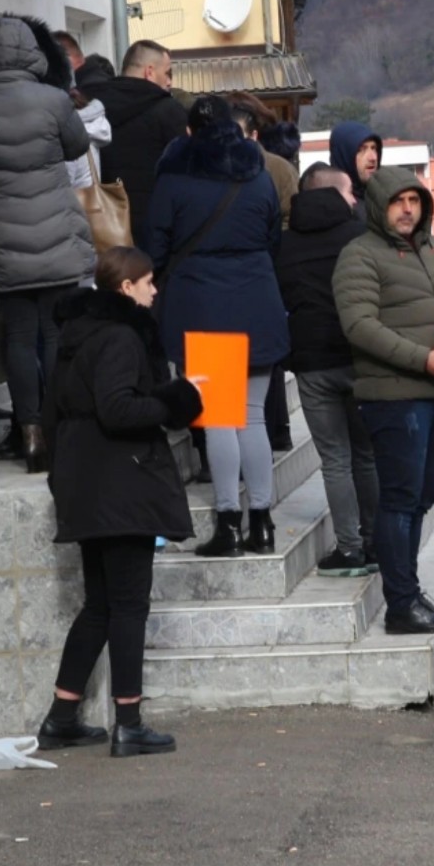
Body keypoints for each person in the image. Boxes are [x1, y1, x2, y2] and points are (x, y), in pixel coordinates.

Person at [37, 247, 203, 758]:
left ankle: (62, 718)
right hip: (120, 483)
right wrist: (178, 397)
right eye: (149, 282)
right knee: (128, 606)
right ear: (126, 287)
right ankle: (128, 722)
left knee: (101, 606)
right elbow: (117, 408)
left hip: (87, 481)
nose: (155, 291)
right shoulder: (120, 336)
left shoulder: (76, 335)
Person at [333, 167, 434, 634]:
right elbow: (359, 326)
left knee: (423, 496)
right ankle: (401, 604)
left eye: (415, 201)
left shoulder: (433, 247)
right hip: (395, 397)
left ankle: (410, 591)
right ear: (378, 206)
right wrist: (424, 360)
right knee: (399, 500)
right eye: (398, 202)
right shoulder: (359, 256)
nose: (407, 209)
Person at [148, 95, 290, 556]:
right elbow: (271, 239)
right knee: (252, 416)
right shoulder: (260, 178)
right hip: (258, 302)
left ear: (188, 134)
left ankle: (229, 523)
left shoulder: (173, 181)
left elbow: (156, 246)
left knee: (220, 419)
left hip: (203, 306)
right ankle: (263, 523)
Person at [0, 15, 94, 473]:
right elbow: (76, 149)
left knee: (17, 336)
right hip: (55, 229)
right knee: (54, 333)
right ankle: (57, 427)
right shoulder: (55, 100)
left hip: (3, 235)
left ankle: (29, 430)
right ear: (35, 52)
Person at [276, 164, 378, 577]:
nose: (355, 199)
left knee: (334, 459)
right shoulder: (358, 238)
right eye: (351, 192)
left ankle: (349, 549)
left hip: (311, 361)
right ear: (336, 194)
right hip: (359, 357)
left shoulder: (282, 246)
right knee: (366, 455)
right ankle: (374, 541)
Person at [228, 92, 300, 453]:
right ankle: (278, 431)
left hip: (216, 292)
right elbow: (290, 219)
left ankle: (229, 496)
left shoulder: (199, 170)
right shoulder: (279, 169)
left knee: (222, 422)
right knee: (264, 360)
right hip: (264, 276)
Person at [88, 40, 189, 249]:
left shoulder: (94, 107)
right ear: (149, 72)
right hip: (157, 230)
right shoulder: (169, 111)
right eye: (167, 72)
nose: (169, 81)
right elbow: (186, 174)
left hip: (103, 227)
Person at [327, 121, 382, 200]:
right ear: (344, 156)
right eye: (362, 150)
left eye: (374, 148)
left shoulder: (383, 200)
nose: (373, 158)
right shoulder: (332, 206)